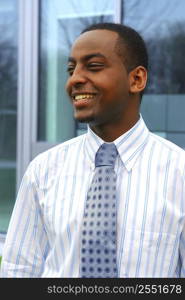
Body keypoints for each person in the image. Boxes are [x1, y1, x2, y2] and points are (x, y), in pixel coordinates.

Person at [1, 22, 185, 278]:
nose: (75, 79)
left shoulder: (179, 172)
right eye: (70, 69)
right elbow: (18, 270)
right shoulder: (42, 171)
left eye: (94, 66)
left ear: (136, 79)